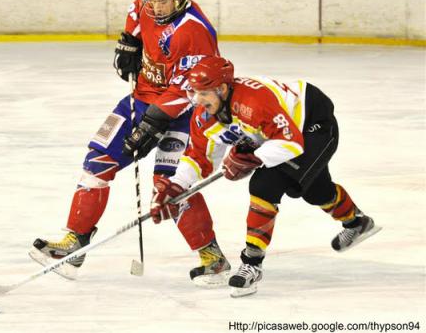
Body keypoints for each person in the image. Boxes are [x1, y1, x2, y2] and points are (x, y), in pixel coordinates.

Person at [30, 0, 227, 285]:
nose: (156, 5)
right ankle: (74, 244)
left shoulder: (195, 31)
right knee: (96, 163)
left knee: (170, 188)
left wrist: (151, 125)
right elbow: (135, 16)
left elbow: (190, 90)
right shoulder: (144, 5)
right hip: (140, 99)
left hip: (184, 113)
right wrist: (128, 42)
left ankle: (212, 257)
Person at [150, 56, 381, 296]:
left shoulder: (253, 102)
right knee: (314, 190)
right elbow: (199, 157)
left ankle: (252, 263)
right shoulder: (204, 116)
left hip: (313, 123)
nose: (198, 100)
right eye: (195, 93)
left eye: (204, 93)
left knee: (265, 184)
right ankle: (357, 222)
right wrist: (175, 188)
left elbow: (291, 142)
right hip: (280, 134)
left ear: (222, 89)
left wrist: (255, 158)